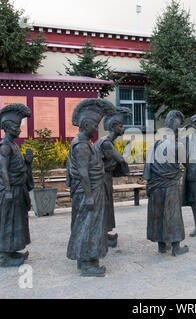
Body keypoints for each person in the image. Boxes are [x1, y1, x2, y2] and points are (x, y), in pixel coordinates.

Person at [66, 98, 115, 277]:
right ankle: (88, 264)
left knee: (88, 225)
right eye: (95, 126)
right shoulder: (81, 145)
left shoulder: (84, 143)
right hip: (89, 191)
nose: (96, 130)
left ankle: (85, 259)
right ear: (85, 124)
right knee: (89, 226)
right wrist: (88, 195)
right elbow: (83, 172)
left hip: (93, 190)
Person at [0, 104, 33, 267]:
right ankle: (5, 257)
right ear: (7, 127)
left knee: (16, 221)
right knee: (7, 221)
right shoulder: (5, 146)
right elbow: (4, 170)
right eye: (17, 126)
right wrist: (7, 190)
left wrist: (28, 162)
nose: (20, 130)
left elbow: (19, 167)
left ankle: (12, 250)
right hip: (10, 190)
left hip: (18, 189)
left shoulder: (14, 145)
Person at [144, 110, 189, 256]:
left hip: (155, 187)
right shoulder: (178, 147)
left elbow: (146, 173)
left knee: (158, 214)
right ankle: (176, 248)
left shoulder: (153, 146)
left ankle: (162, 246)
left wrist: (150, 185)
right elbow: (187, 164)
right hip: (171, 186)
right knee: (173, 215)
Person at [94, 106, 131, 248]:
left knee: (106, 205)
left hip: (105, 178)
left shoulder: (107, 142)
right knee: (104, 205)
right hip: (102, 179)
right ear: (114, 127)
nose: (123, 128)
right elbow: (120, 160)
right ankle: (102, 236)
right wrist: (127, 152)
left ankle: (105, 233)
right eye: (121, 126)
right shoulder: (106, 143)